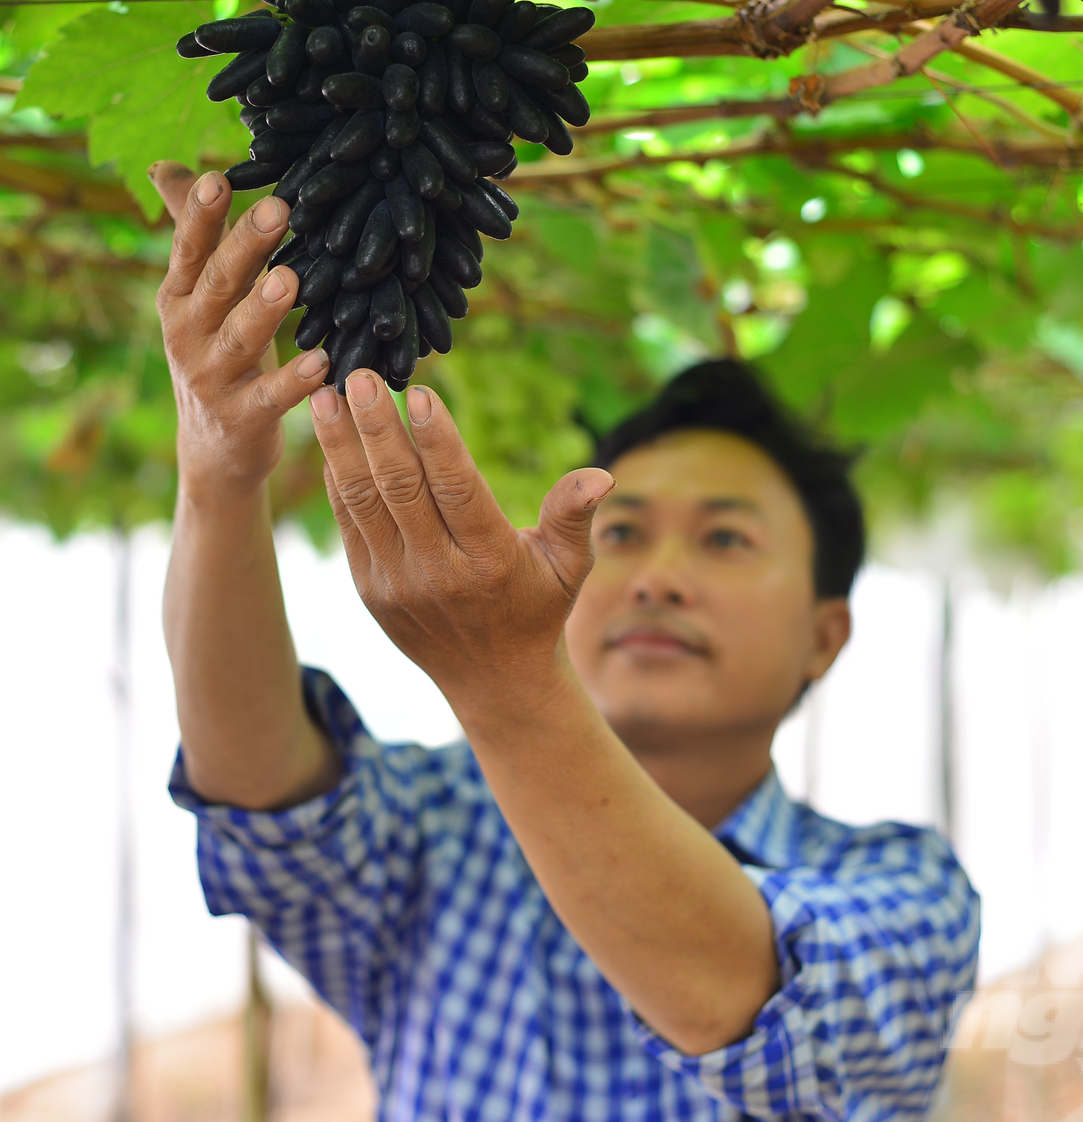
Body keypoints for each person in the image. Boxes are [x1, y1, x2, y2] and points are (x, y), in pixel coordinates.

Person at [148, 162, 981, 1119]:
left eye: (725, 538)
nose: (659, 576)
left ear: (823, 636)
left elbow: (733, 994)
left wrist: (507, 682)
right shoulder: (442, 824)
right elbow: (258, 789)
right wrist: (216, 482)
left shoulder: (908, 895)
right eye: (622, 533)